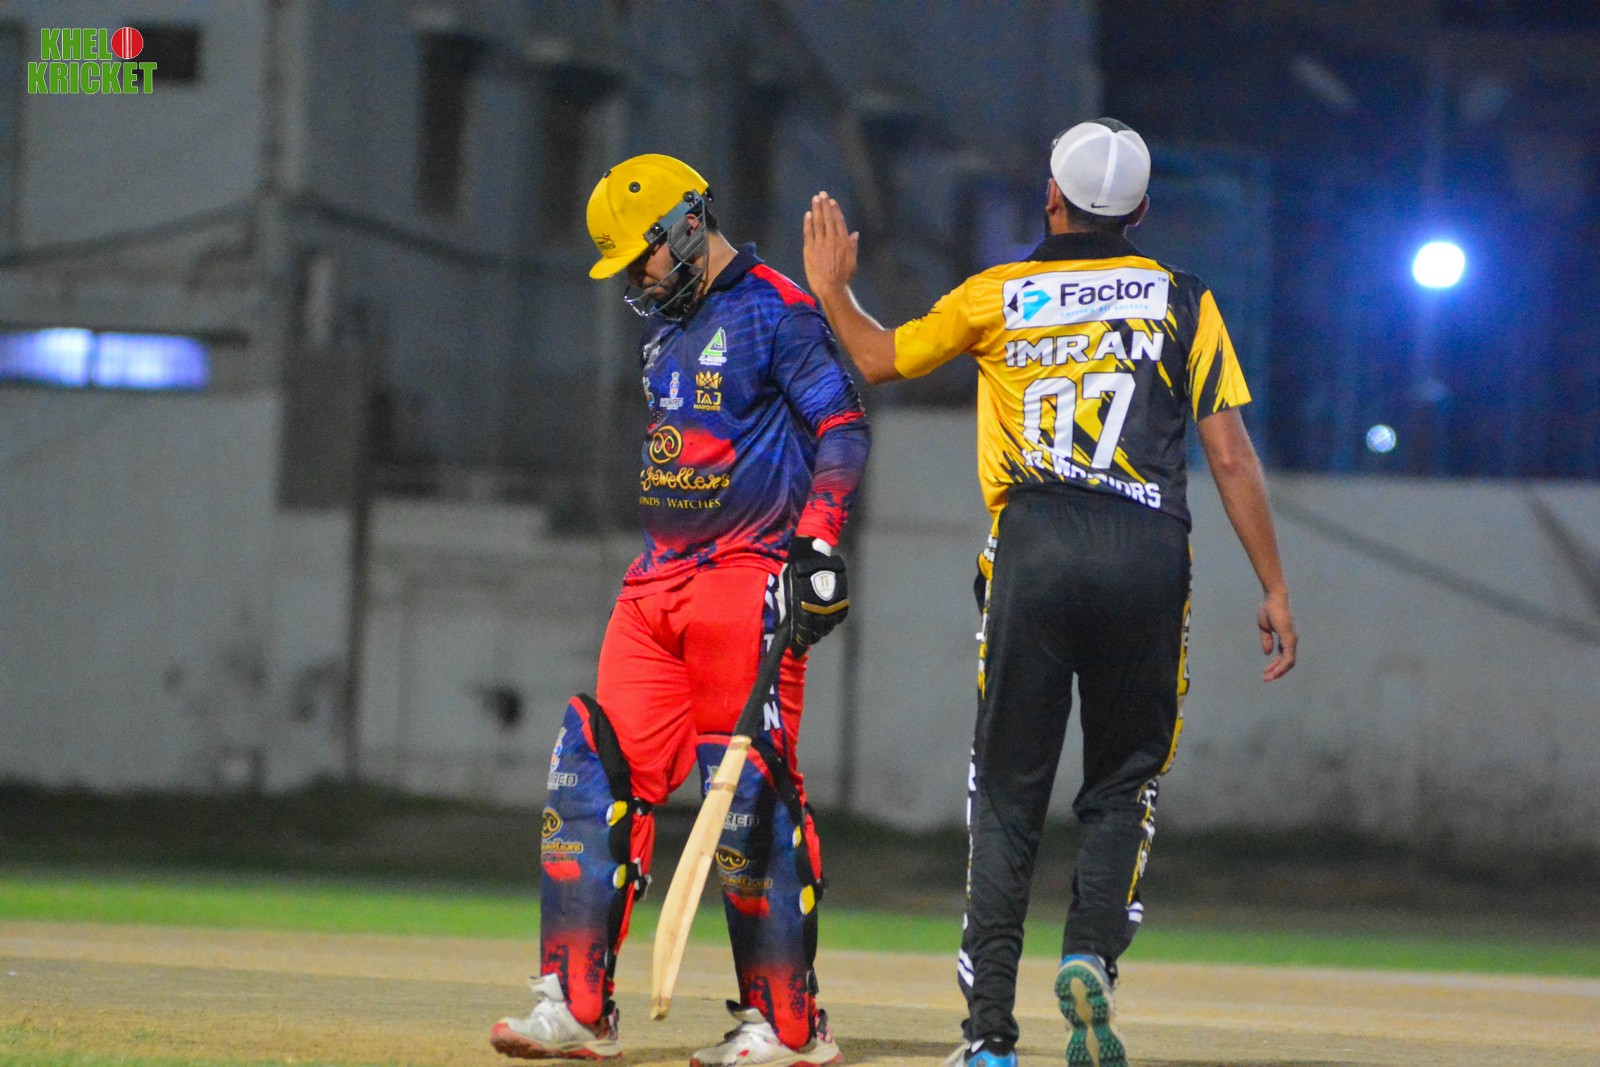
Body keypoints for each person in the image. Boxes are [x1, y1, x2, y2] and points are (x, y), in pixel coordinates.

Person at [801, 118, 1297, 1067]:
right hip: (1149, 547)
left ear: (1052, 198)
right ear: (1141, 211)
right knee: (1122, 779)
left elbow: (876, 357)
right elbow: (1231, 455)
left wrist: (833, 289)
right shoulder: (1183, 299)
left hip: (1034, 543)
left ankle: (989, 1035)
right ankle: (1090, 957)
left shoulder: (998, 293)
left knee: (1008, 791)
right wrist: (1273, 584)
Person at [491, 154, 869, 1067]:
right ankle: (577, 1005)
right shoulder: (665, 327)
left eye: (641, 257)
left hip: (747, 577)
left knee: (746, 799)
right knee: (589, 770)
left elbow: (842, 425)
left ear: (691, 223)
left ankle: (787, 1024)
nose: (635, 279)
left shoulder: (779, 310)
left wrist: (818, 542)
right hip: (654, 586)